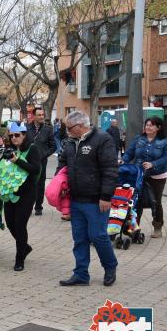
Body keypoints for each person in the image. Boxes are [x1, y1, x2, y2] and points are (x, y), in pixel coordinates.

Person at [57, 110, 118, 287]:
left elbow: (110, 170)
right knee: (80, 238)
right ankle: (81, 274)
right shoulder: (70, 141)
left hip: (96, 200)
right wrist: (59, 183)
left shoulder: (102, 139)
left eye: (69, 128)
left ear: (81, 125)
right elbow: (62, 163)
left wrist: (106, 196)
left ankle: (110, 267)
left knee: (98, 236)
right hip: (76, 199)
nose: (67, 132)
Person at [3, 122, 41, 272]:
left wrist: (16, 160)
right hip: (10, 192)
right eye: (11, 135)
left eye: (17, 135)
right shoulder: (10, 148)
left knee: (20, 225)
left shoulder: (33, 148)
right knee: (10, 224)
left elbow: (35, 169)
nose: (14, 138)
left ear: (24, 135)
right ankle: (25, 247)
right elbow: (4, 170)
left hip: (27, 192)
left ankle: (20, 259)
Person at [121, 116, 167, 238]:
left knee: (155, 201)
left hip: (157, 175)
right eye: (146, 125)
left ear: (158, 127)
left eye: (151, 125)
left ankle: (157, 227)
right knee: (136, 200)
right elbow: (130, 152)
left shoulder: (164, 141)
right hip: (138, 174)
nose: (148, 127)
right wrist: (123, 160)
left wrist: (153, 164)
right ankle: (133, 227)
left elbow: (165, 158)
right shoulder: (139, 139)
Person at [26, 107, 56, 216]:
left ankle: (38, 206)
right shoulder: (26, 128)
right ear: (34, 116)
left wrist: (44, 155)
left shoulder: (48, 129)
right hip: (28, 161)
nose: (42, 117)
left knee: (40, 184)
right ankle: (28, 206)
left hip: (41, 162)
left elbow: (53, 146)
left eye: (43, 115)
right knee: (28, 183)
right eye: (39, 115)